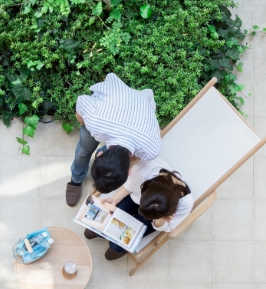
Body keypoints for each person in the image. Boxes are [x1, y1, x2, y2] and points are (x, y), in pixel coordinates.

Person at [66, 73, 161, 206]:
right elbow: (82, 101)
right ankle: (76, 179)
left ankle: (78, 177)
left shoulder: (151, 148)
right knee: (84, 149)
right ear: (129, 172)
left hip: (140, 105)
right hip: (111, 103)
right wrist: (82, 120)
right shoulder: (95, 120)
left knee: (92, 150)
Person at [84, 158, 194, 261]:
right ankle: (101, 232)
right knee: (102, 222)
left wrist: (161, 219)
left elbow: (168, 227)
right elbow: (131, 184)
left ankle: (119, 248)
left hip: (157, 217)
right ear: (146, 187)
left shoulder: (186, 204)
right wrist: (115, 199)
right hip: (137, 198)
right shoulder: (145, 171)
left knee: (116, 246)